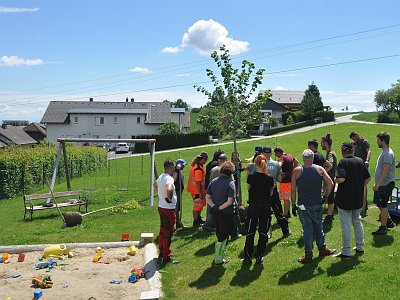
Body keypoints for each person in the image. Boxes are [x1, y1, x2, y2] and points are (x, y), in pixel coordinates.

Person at [291, 149, 336, 263]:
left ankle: (308, 255)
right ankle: (322, 249)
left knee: (307, 230)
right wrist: (325, 196)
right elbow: (330, 183)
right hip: (316, 203)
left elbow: (292, 190)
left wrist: (293, 204)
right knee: (318, 227)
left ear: (303, 158)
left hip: (303, 205)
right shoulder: (319, 169)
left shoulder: (296, 171)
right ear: (312, 158)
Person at [333, 142, 370, 259]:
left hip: (345, 200)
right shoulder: (360, 161)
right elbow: (367, 178)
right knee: (357, 222)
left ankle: (346, 252)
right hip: (357, 198)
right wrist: (359, 186)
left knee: (346, 226)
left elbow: (341, 179)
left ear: (343, 151)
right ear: (352, 150)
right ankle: (360, 247)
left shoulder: (343, 162)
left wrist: (335, 178)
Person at [242, 155, 274, 265]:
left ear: (255, 164)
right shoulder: (269, 178)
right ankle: (259, 256)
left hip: (254, 206)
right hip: (265, 207)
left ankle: (247, 256)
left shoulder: (251, 176)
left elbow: (249, 189)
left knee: (250, 231)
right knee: (262, 232)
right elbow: (270, 193)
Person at [206, 161, 237, 265]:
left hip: (215, 213)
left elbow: (207, 197)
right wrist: (220, 208)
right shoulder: (230, 183)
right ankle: (218, 259)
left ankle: (219, 256)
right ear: (231, 172)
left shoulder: (214, 181)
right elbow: (230, 201)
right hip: (226, 213)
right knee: (223, 236)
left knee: (219, 233)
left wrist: (214, 207)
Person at [154, 159, 179, 264]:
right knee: (168, 232)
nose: (174, 169)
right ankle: (166, 256)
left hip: (161, 207)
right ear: (169, 167)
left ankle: (162, 250)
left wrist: (161, 195)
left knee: (163, 229)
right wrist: (168, 199)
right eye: (173, 167)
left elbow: (154, 185)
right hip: (168, 209)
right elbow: (169, 189)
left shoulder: (161, 176)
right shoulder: (169, 178)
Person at [372, 132, 396, 235]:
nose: (377, 142)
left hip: (385, 184)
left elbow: (385, 171)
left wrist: (377, 184)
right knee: (379, 203)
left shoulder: (387, 154)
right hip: (382, 184)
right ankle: (389, 221)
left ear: (383, 141)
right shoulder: (385, 152)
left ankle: (383, 227)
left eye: (378, 140)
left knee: (383, 205)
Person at [264, 146, 290, 238]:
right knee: (278, 212)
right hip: (273, 191)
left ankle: (264, 234)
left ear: (262, 153)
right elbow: (279, 179)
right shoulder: (276, 164)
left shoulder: (257, 164)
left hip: (262, 192)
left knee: (264, 214)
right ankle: (285, 231)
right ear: (271, 153)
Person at [202, 154, 228, 232]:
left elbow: (210, 180)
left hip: (212, 191)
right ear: (225, 161)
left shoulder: (213, 169)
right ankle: (212, 224)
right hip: (220, 193)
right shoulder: (224, 170)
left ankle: (208, 223)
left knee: (211, 208)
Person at [350, 131, 372, 213]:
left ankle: (364, 204)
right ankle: (359, 203)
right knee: (358, 185)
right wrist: (353, 147)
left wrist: (367, 161)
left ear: (357, 136)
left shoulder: (364, 142)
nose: (354, 140)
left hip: (363, 165)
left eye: (354, 138)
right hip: (356, 166)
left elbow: (369, 151)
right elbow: (352, 154)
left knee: (363, 184)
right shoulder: (354, 144)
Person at [274, 146, 298, 218]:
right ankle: (288, 212)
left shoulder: (281, 158)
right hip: (291, 180)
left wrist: (279, 172)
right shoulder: (290, 155)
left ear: (278, 152)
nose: (275, 155)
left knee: (285, 199)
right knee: (288, 197)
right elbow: (296, 161)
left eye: (276, 153)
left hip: (284, 181)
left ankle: (285, 215)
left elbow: (279, 165)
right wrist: (293, 171)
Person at [187, 151, 208, 227]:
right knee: (198, 206)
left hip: (195, 190)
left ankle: (198, 219)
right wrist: (200, 193)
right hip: (197, 190)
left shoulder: (197, 165)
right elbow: (198, 182)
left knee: (199, 205)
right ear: (204, 159)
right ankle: (196, 222)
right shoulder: (198, 168)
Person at [321, 134, 338, 226]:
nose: (321, 145)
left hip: (330, 178)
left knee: (329, 197)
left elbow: (330, 165)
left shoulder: (330, 153)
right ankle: (330, 215)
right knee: (329, 197)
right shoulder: (330, 152)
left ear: (326, 143)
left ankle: (329, 216)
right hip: (330, 178)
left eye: (322, 143)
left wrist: (323, 172)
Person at [173, 158, 186, 229]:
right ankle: (176, 222)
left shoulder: (179, 171)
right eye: (183, 165)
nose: (184, 167)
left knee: (177, 208)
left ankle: (178, 222)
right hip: (176, 191)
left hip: (179, 192)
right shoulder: (176, 171)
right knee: (176, 208)